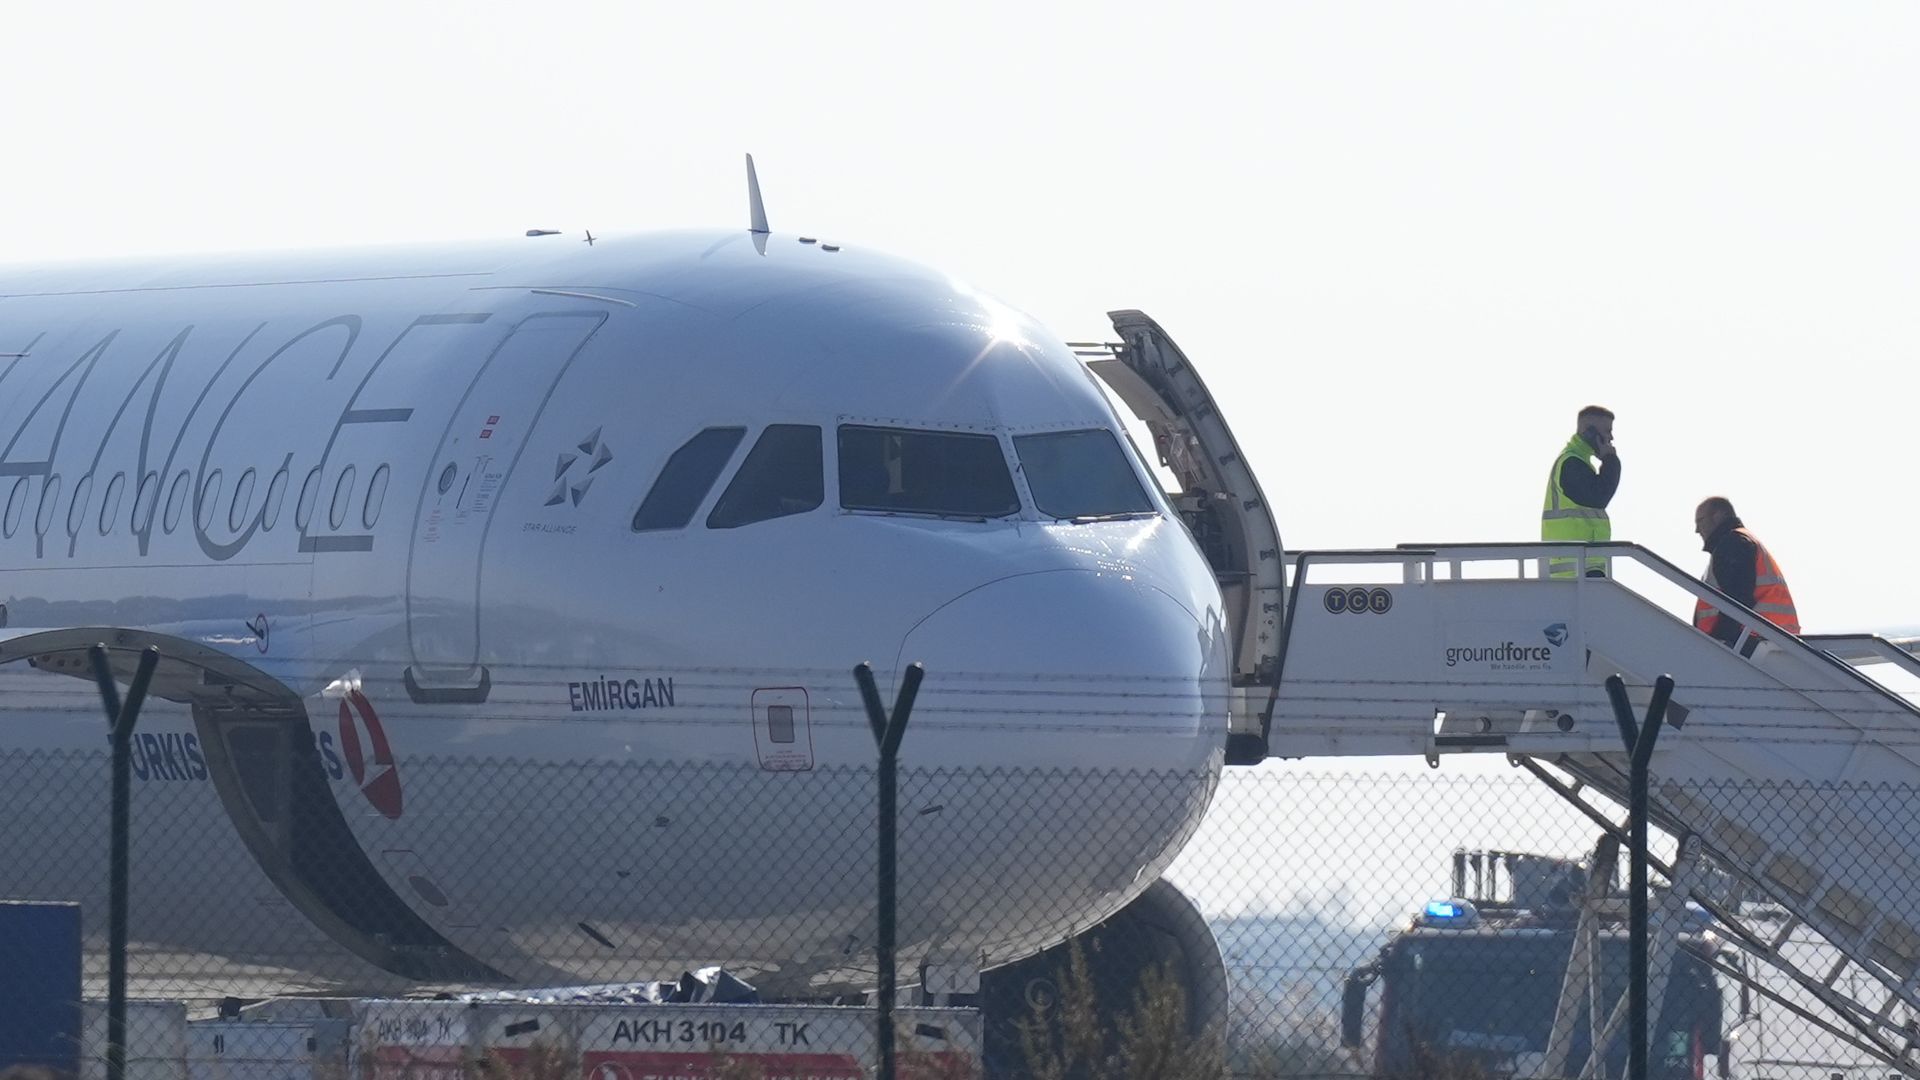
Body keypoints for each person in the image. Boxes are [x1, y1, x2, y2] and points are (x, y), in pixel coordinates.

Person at [1692, 496, 1800, 653]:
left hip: (1751, 641)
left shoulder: (1734, 544)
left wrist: (1721, 641)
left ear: (1718, 516)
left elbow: (1737, 599)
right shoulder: (1740, 541)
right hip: (1770, 639)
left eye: (1700, 521)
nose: (1696, 530)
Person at [1541, 406, 1620, 577]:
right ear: (1589, 432)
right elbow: (1599, 496)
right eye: (1607, 431)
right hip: (1575, 572)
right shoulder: (1571, 464)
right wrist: (1610, 461)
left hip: (1582, 568)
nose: (1611, 437)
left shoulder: (1579, 462)